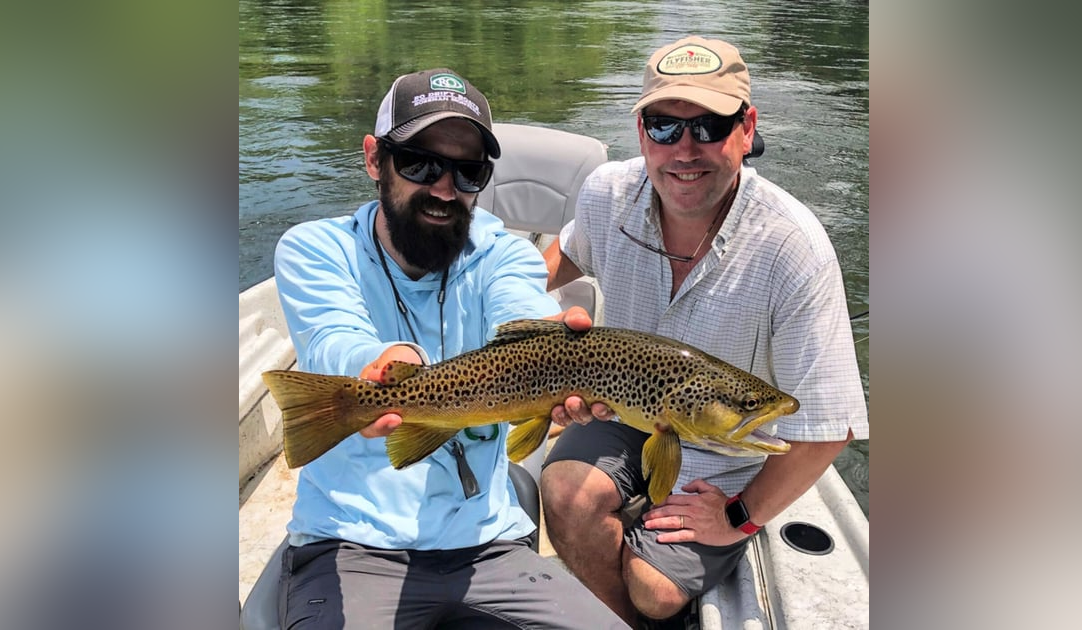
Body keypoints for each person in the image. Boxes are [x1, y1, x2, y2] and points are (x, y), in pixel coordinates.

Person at [271, 68, 628, 629]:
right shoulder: (316, 249)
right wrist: (383, 365)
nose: (444, 187)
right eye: (420, 163)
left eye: (468, 171)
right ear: (374, 159)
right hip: (352, 543)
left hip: (488, 542)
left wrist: (558, 347)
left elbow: (520, 310)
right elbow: (332, 340)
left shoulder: (502, 251)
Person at [541, 36, 870, 627]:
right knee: (565, 496)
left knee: (655, 592)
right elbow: (548, 271)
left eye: (710, 126)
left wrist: (741, 515)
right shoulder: (605, 195)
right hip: (623, 412)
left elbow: (829, 426)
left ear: (746, 128)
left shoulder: (793, 249)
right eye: (665, 127)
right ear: (641, 132)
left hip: (727, 444)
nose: (684, 150)